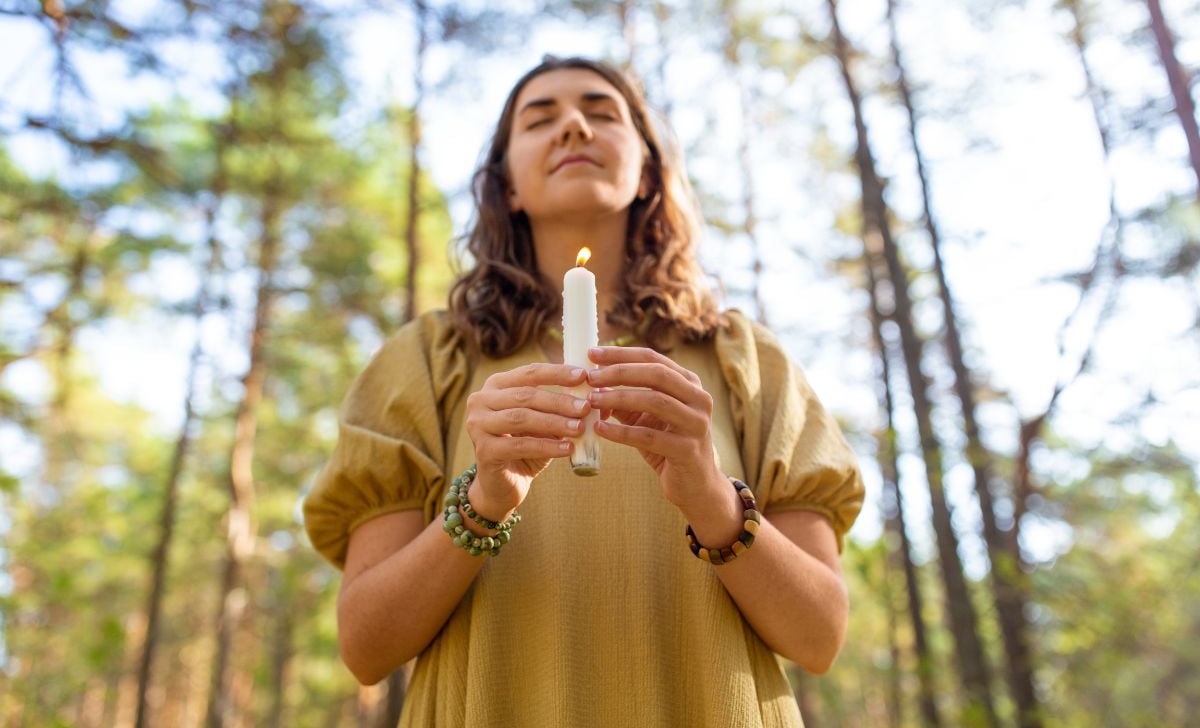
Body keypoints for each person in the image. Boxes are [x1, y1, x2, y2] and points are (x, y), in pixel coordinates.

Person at [303, 55, 864, 728]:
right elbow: (367, 648)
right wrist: (484, 502)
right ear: (506, 184)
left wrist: (710, 497)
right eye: (539, 119)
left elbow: (819, 638)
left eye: (601, 112)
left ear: (648, 172)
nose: (572, 126)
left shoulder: (746, 359)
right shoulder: (426, 360)